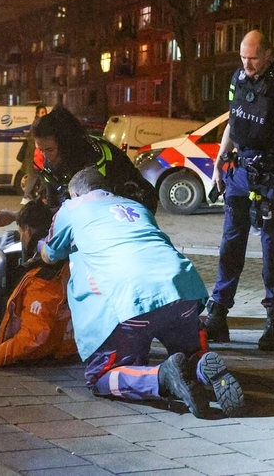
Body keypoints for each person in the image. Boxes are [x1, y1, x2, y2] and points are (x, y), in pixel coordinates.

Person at [38, 167, 245, 418]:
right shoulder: (135, 206)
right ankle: (202, 367)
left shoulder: (71, 208)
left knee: (101, 376)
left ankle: (162, 377)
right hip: (183, 291)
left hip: (130, 302)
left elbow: (49, 254)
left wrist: (42, 246)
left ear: (76, 194)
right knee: (190, 352)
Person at [204, 30, 274, 351]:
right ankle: (218, 314)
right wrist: (218, 162)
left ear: (268, 54)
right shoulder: (237, 79)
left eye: (253, 57)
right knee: (230, 244)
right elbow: (233, 119)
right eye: (243, 56)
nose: (247, 63)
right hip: (240, 172)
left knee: (271, 248)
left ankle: (273, 319)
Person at [0, 105, 156, 227]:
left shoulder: (91, 161)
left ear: (65, 143)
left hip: (131, 213)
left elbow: (80, 213)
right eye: (40, 150)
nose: (45, 156)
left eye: (49, 149)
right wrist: (17, 215)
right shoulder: (53, 163)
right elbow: (52, 208)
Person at [0, 200, 77, 366]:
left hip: (37, 349)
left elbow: (33, 337)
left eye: (21, 231)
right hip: (61, 343)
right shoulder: (69, 255)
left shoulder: (44, 276)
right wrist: (17, 216)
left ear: (28, 229)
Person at [17, 103, 48, 199]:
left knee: (41, 177)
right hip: (35, 158)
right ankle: (28, 197)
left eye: (45, 112)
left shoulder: (40, 124)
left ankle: (32, 196)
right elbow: (33, 142)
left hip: (37, 157)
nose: (44, 114)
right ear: (38, 114)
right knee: (37, 177)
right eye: (42, 112)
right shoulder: (37, 125)